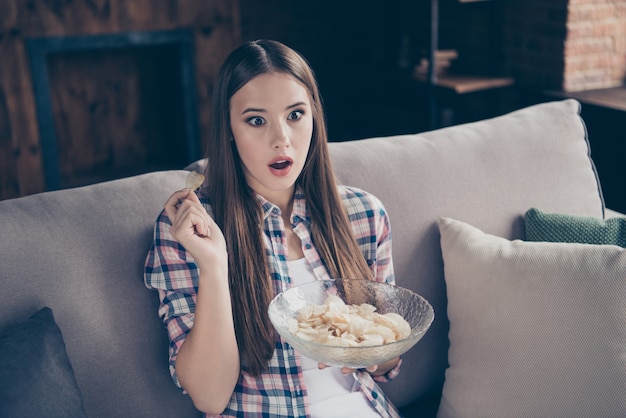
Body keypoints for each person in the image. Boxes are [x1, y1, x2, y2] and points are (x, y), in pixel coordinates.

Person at [144, 39, 402, 418]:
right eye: (257, 120)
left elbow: (389, 356)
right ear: (229, 129)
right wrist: (215, 266)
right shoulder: (190, 227)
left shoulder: (364, 213)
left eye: (295, 115)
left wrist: (368, 350)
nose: (281, 138)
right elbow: (210, 397)